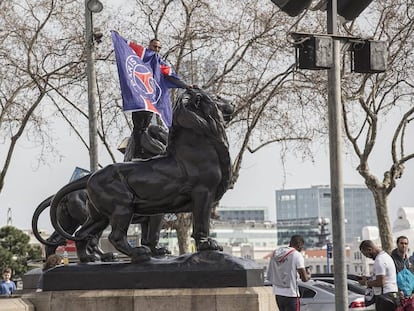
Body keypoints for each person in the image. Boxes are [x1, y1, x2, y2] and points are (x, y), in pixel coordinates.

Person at [128, 38, 191, 159]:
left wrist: (185, 86)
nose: (156, 49)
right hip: (139, 98)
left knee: (145, 126)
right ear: (149, 46)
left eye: (158, 47)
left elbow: (171, 77)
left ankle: (143, 150)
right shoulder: (141, 56)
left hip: (151, 100)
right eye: (154, 47)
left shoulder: (160, 63)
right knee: (138, 126)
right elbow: (127, 51)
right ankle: (136, 152)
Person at [267, 235, 311, 311]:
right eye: (302, 246)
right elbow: (304, 278)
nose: (301, 248)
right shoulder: (296, 255)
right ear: (299, 244)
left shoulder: (275, 254)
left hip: (278, 293)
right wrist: (309, 275)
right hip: (291, 294)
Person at [358, 240, 399, 311]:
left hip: (385, 297)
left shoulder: (379, 260)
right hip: (391, 295)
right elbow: (384, 277)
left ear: (369, 249)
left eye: (366, 254)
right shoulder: (385, 256)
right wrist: (368, 279)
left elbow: (380, 282)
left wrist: (365, 283)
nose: (367, 257)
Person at [391, 236, 414, 310]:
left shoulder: (409, 261)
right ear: (397, 244)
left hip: (410, 299)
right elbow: (389, 278)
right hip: (397, 299)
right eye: (401, 243)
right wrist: (398, 291)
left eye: (406, 243)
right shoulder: (391, 260)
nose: (404, 245)